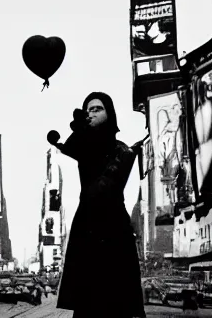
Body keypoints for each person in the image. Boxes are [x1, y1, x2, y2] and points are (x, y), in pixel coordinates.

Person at [48, 91, 145, 318]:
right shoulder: (84, 142)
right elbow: (74, 147)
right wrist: (80, 127)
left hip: (114, 223)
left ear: (109, 113)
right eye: (88, 110)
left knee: (118, 292)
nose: (91, 113)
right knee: (88, 298)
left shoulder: (121, 148)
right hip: (88, 223)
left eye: (97, 109)